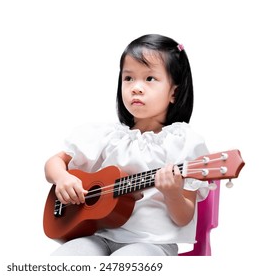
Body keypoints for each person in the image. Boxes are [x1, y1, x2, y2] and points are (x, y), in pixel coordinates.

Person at [44, 34, 209, 256]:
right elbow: (54, 163)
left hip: (152, 244)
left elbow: (183, 218)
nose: (136, 88)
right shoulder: (107, 136)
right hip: (99, 235)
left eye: (150, 79)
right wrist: (63, 178)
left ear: (174, 92)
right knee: (66, 258)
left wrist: (172, 193)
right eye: (129, 78)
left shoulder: (184, 143)